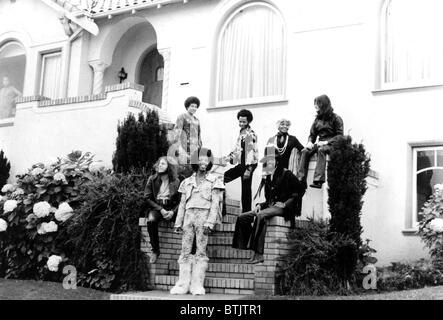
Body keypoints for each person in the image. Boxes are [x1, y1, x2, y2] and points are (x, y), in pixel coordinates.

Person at [232, 145, 306, 264]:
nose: (270, 162)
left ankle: (258, 254)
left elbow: (300, 190)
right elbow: (269, 199)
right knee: (242, 217)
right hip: (270, 206)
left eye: (272, 159)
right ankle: (244, 247)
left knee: (260, 215)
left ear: (277, 161)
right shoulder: (267, 176)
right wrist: (260, 205)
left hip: (283, 209)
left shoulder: (286, 173)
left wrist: (286, 204)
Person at [170, 148, 225, 295]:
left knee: (201, 251)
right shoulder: (187, 182)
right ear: (195, 161)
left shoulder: (215, 181)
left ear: (209, 163)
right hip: (188, 217)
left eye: (206, 160)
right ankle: (182, 285)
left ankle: (197, 285)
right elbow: (182, 204)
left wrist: (210, 223)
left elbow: (215, 204)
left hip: (204, 217)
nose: (203, 162)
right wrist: (178, 223)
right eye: (200, 159)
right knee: (185, 250)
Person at [296, 95, 344, 188]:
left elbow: (340, 136)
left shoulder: (336, 118)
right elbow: (312, 135)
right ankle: (300, 179)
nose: (315, 107)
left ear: (323, 104)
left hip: (332, 144)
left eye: (317, 104)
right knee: (305, 151)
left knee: (321, 150)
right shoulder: (317, 120)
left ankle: (318, 180)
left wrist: (326, 142)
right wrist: (310, 142)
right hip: (319, 143)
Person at [144, 156, 181, 264]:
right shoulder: (152, 179)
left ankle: (189, 253)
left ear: (169, 167)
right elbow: (147, 197)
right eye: (159, 163)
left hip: (170, 208)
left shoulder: (176, 181)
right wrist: (161, 209)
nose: (160, 165)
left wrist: (173, 212)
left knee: (185, 223)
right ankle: (155, 250)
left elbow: (180, 201)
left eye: (163, 164)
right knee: (151, 221)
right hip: (157, 208)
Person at [223, 109, 259, 213]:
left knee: (246, 191)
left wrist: (249, 170)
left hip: (248, 166)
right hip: (242, 164)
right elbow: (237, 149)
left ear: (248, 122)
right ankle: (223, 207)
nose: (241, 123)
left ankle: (246, 216)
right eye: (240, 121)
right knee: (224, 178)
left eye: (244, 122)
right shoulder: (242, 133)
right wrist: (228, 157)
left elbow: (252, 153)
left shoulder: (250, 134)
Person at [173, 96, 202, 180]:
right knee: (183, 170)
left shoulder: (197, 120)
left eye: (196, 107)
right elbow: (177, 132)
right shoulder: (182, 117)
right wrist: (178, 147)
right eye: (192, 106)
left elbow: (199, 134)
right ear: (187, 106)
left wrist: (199, 145)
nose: (194, 108)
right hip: (184, 148)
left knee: (193, 170)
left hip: (195, 149)